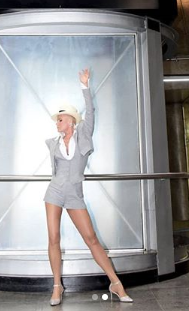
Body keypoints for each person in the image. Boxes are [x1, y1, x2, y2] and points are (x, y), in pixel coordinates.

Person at [44, 68, 133, 306]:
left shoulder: (83, 134)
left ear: (71, 121)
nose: (57, 122)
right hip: (54, 192)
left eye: (60, 119)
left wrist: (85, 86)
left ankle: (115, 283)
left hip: (74, 194)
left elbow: (91, 112)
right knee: (53, 237)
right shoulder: (52, 143)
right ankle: (56, 286)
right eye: (57, 120)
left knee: (91, 238)